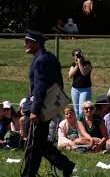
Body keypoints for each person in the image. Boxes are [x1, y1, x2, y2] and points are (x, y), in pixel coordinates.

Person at [22, 30, 75, 177]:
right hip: (48, 106)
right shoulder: (47, 57)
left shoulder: (41, 60)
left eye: (28, 41)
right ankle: (65, 165)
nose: (25, 44)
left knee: (35, 144)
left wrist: (34, 110)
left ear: (36, 43)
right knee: (38, 144)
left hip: (42, 109)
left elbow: (40, 88)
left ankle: (64, 165)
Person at [68, 48, 92, 117]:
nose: (78, 56)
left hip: (85, 90)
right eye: (76, 55)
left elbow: (84, 73)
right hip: (75, 90)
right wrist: (77, 65)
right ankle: (78, 126)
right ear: (73, 57)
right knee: (76, 110)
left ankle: (83, 126)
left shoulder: (87, 63)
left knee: (82, 110)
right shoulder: (73, 65)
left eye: (79, 54)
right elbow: (70, 75)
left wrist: (79, 63)